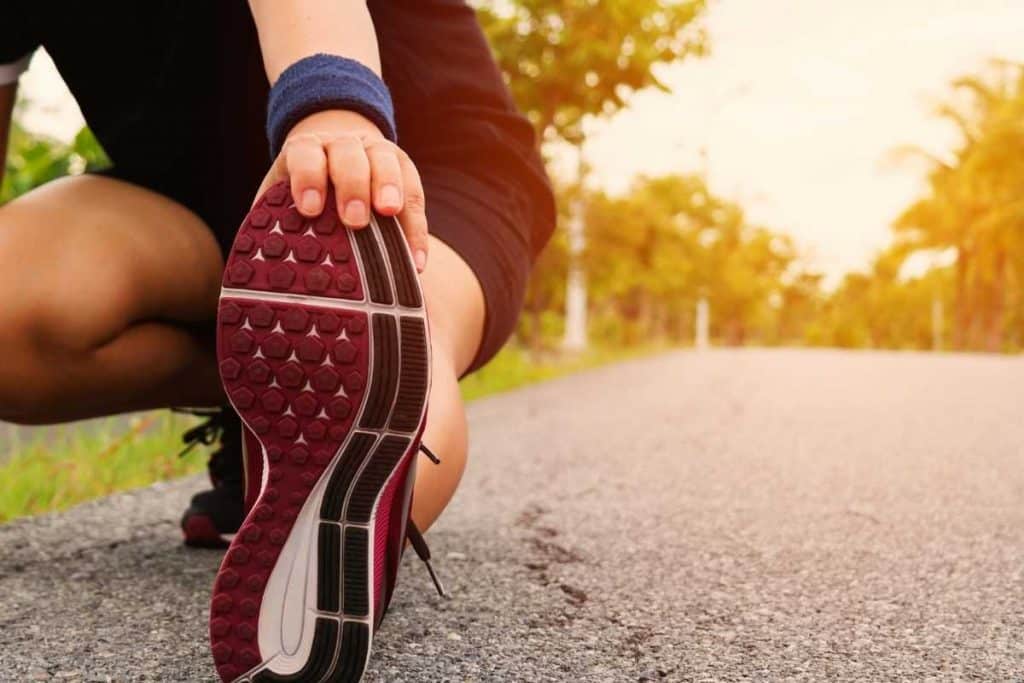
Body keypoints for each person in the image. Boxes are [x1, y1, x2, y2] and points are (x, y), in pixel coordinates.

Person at [0, 2, 554, 681]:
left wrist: (331, 105)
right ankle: (280, 387)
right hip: (186, 200)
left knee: (395, 333)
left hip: (420, 163)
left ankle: (355, 446)